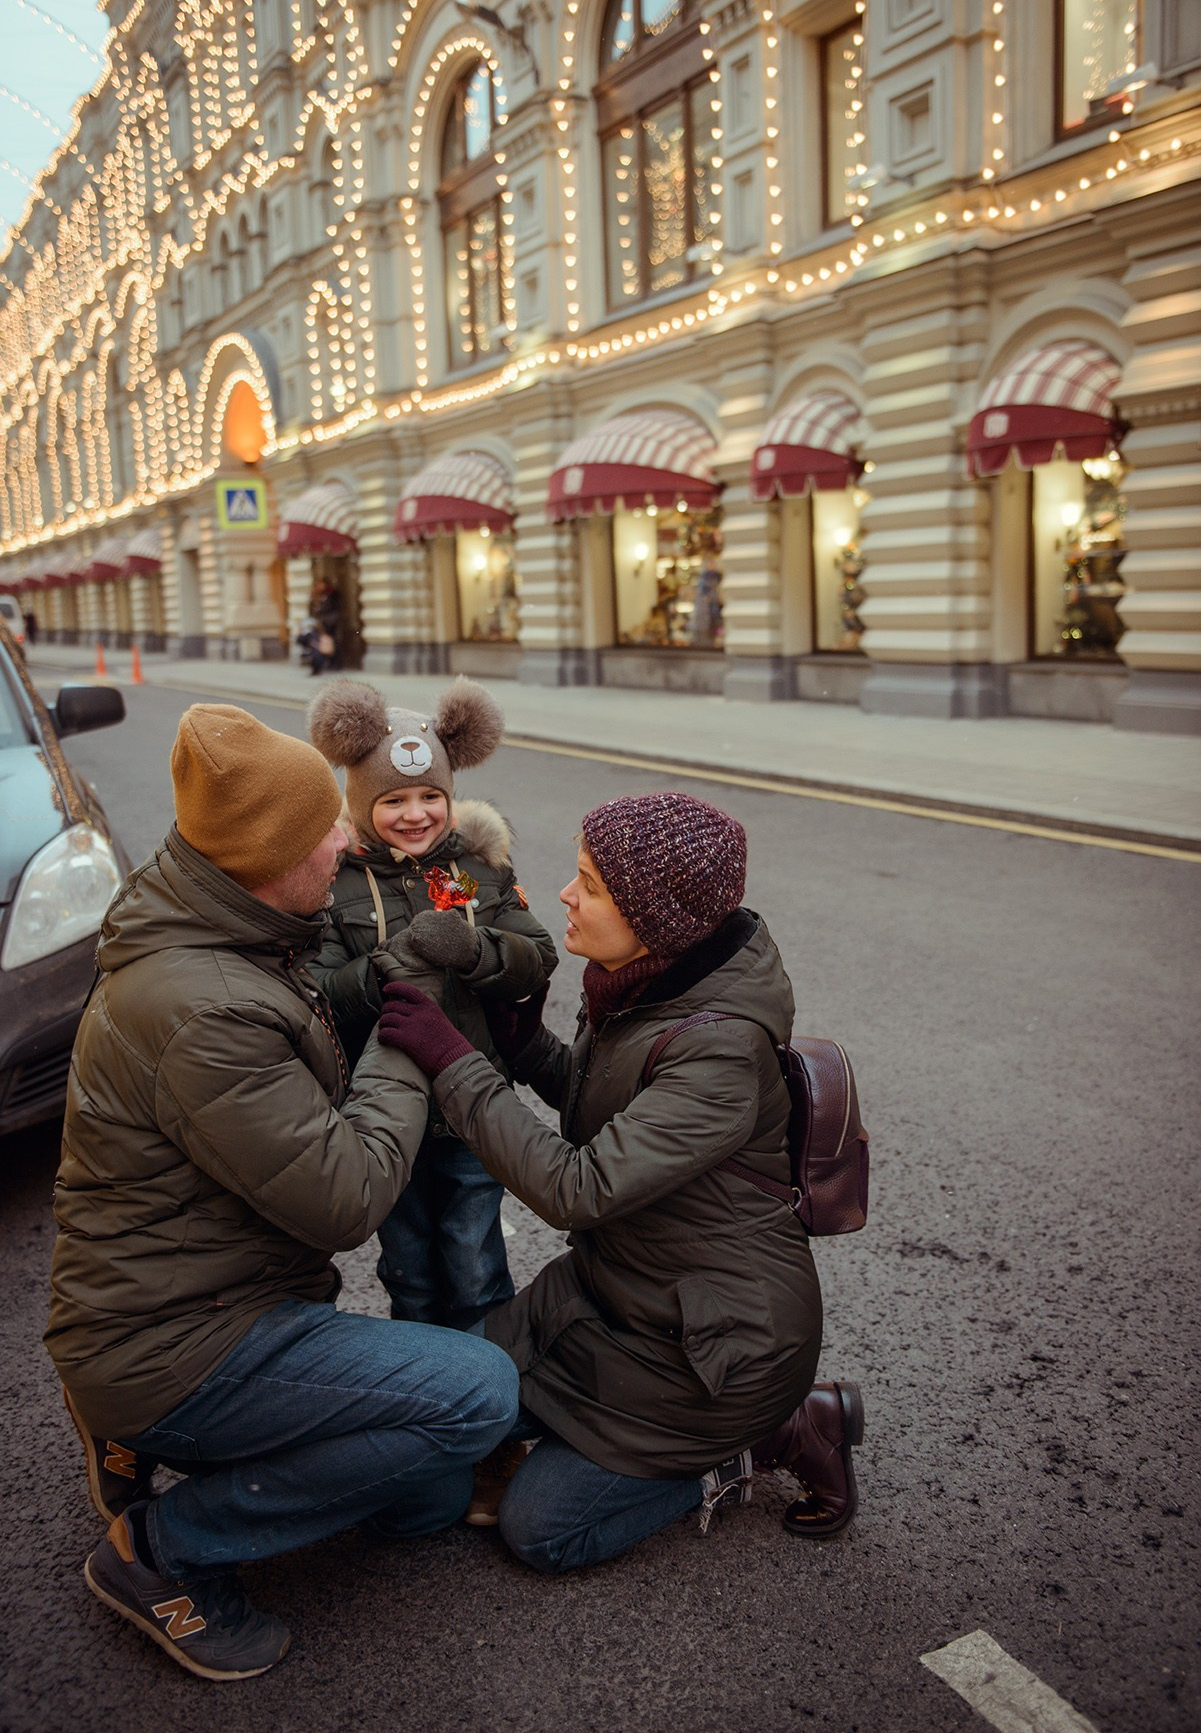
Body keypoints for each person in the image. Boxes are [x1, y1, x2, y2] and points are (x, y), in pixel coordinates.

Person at [45, 704, 518, 1681]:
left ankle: (178, 1440)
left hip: (210, 1295)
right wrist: (409, 1027)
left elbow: (498, 942)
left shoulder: (229, 916)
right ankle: (163, 1550)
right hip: (181, 1334)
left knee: (426, 1504)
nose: (346, 836)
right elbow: (347, 1200)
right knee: (479, 1395)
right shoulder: (200, 1007)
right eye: (325, 831)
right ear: (271, 854)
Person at [373, 791, 864, 1574]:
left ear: (654, 916)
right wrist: (524, 1045)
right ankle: (596, 1434)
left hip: (707, 1358)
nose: (565, 895)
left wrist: (453, 1063)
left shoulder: (719, 1047)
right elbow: (603, 1119)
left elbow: (578, 1187)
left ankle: (777, 1434)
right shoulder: (640, 983)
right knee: (442, 1398)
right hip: (609, 1298)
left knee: (540, 1529)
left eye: (589, 885)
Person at [307, 677, 558, 1344]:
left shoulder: (463, 873)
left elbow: (535, 955)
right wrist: (386, 968)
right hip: (385, 1115)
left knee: (475, 1262)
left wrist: (476, 950)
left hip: (471, 1108)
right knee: (411, 1268)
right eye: (394, 799)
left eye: (430, 797)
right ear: (362, 803)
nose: (415, 814)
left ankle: (492, 1392)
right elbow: (317, 990)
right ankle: (431, 1391)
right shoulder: (335, 885)